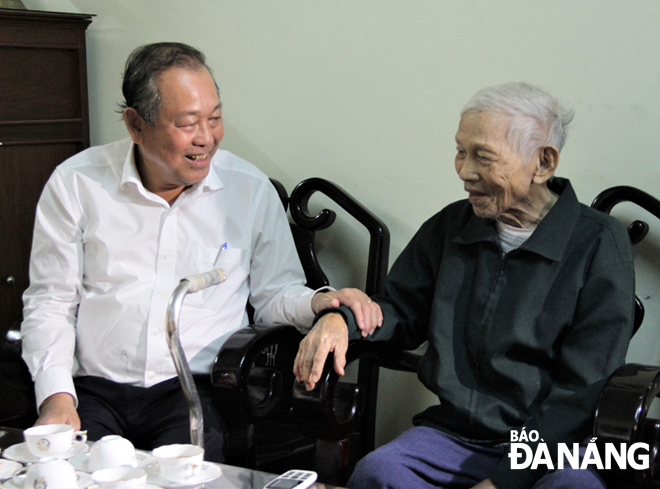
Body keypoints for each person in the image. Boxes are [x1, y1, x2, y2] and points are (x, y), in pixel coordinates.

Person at [21, 42, 380, 463]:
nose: (206, 138)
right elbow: (51, 301)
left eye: (215, 118)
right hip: (92, 390)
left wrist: (324, 301)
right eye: (188, 123)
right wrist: (56, 397)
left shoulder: (247, 190)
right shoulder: (76, 183)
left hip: (196, 390)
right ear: (136, 126)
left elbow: (273, 295)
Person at [294, 82, 634, 489]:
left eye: (483, 157)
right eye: (460, 151)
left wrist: (503, 481)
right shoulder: (451, 226)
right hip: (455, 435)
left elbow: (583, 389)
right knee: (378, 473)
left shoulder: (599, 243)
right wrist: (339, 320)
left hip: (553, 444)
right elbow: (399, 310)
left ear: (543, 163)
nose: (464, 171)